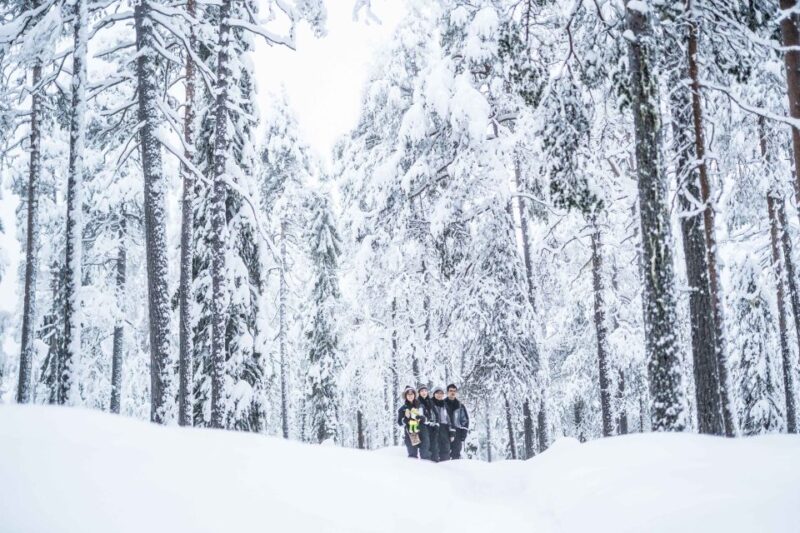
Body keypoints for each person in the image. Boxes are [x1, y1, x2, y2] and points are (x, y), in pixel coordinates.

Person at [397, 386, 424, 458]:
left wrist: (421, 418)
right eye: (408, 394)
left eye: (412, 394)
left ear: (415, 395)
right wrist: (406, 420)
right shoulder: (403, 409)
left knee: (425, 454)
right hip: (412, 432)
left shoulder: (420, 406)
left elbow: (425, 417)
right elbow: (399, 422)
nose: (410, 396)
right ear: (405, 396)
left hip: (422, 431)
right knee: (413, 453)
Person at [445, 383, 470, 459]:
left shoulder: (460, 405)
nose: (452, 392)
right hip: (445, 431)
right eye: (450, 391)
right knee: (444, 453)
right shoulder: (442, 404)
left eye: (454, 391)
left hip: (457, 432)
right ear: (447, 392)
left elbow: (465, 420)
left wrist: (464, 433)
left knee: (456, 454)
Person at [430, 386, 453, 462]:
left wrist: (451, 431)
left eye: (441, 393)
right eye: (437, 393)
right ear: (434, 394)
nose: (439, 395)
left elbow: (449, 419)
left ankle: (445, 466)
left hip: (444, 428)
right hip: (434, 427)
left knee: (446, 448)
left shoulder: (445, 405)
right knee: (434, 448)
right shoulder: (429, 403)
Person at [416, 385, 434, 461]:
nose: (424, 393)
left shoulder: (430, 401)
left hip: (429, 425)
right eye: (422, 391)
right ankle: (425, 459)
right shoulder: (417, 402)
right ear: (419, 393)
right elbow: (419, 415)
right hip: (420, 425)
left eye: (425, 391)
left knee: (430, 443)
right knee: (425, 442)